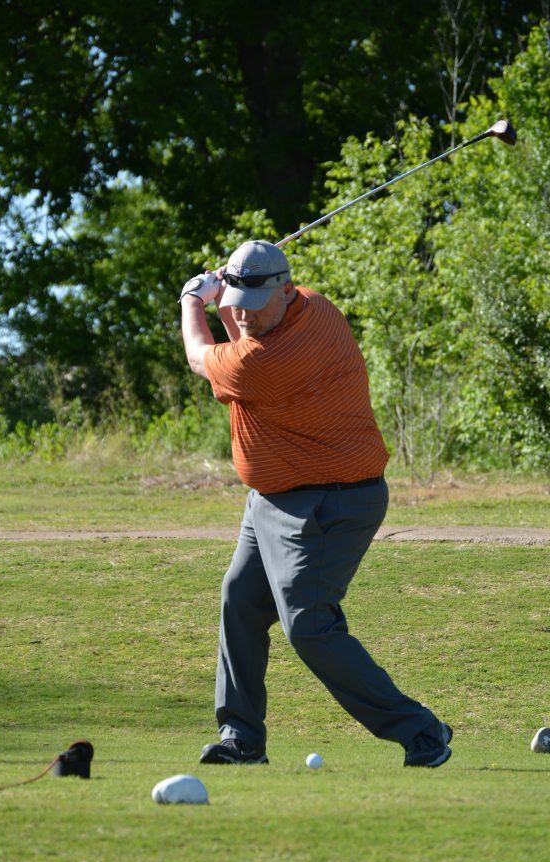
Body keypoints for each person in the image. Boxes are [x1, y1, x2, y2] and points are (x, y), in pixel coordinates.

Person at [179, 239, 452, 768]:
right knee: (240, 599)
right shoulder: (316, 307)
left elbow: (201, 357)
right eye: (237, 304)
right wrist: (229, 297)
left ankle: (422, 730)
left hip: (330, 502)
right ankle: (242, 739)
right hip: (273, 499)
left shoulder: (268, 360)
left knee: (309, 625)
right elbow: (244, 341)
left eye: (254, 305)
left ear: (286, 290)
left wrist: (195, 299)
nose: (244, 315)